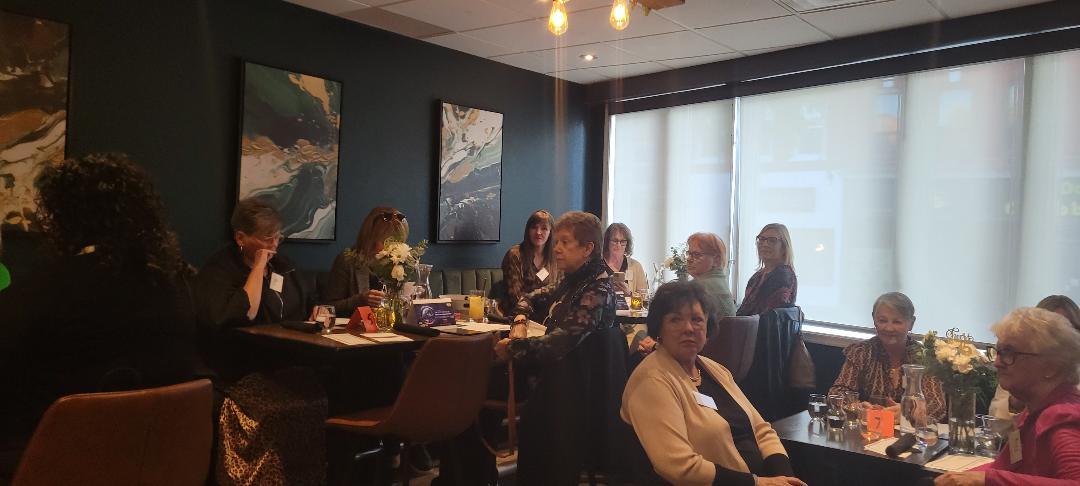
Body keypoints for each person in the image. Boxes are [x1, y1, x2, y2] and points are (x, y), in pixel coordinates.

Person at [0, 153, 202, 481]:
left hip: (54, 465)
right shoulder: (174, 287)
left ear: (62, 218)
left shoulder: (42, 293)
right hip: (159, 466)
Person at [621, 281, 806, 486]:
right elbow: (679, 467)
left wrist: (786, 478)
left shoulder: (714, 369)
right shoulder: (652, 381)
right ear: (659, 329)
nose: (688, 328)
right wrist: (758, 483)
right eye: (675, 320)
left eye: (697, 320)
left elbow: (761, 430)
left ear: (707, 328)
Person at [494, 211, 619, 485]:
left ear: (587, 248)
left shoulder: (598, 290)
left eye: (565, 242)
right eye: (557, 241)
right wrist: (520, 318)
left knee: (481, 384)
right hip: (556, 382)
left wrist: (514, 348)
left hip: (575, 397)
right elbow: (528, 297)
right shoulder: (571, 281)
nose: (556, 248)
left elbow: (559, 344)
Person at [935, 308, 1080, 486]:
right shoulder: (1034, 411)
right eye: (998, 351)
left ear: (1052, 367)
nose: (997, 363)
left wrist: (987, 480)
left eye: (1009, 353)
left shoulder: (1063, 420)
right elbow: (1007, 469)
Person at [198, 198, 315, 330]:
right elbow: (247, 313)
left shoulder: (283, 265)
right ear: (240, 238)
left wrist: (317, 309)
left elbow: (308, 302)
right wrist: (258, 267)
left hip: (291, 339)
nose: (274, 244)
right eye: (267, 238)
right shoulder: (219, 269)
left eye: (277, 237)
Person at [829, 292, 946, 422]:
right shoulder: (861, 352)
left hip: (910, 431)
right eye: (882, 321)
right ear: (874, 320)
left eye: (897, 322)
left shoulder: (925, 357)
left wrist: (908, 410)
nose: (889, 328)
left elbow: (937, 405)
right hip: (870, 428)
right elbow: (836, 393)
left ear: (911, 323)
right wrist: (857, 406)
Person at [989, 295, 1080, 419]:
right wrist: (1015, 403)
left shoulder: (1066, 417)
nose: (997, 363)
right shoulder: (1017, 368)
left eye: (1063, 328)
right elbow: (995, 422)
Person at [324, 206, 409, 314]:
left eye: (397, 241)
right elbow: (328, 307)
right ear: (370, 238)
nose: (393, 248)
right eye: (387, 241)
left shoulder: (401, 263)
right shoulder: (347, 261)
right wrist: (360, 300)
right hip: (354, 324)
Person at [499, 210, 558, 315]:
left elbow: (558, 289)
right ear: (528, 230)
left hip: (548, 315)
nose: (538, 232)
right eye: (534, 227)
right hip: (517, 314)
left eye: (544, 228)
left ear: (550, 232)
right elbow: (515, 296)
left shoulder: (556, 257)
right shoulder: (515, 254)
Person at [737, 223, 797, 316]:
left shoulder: (783, 275)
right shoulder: (757, 276)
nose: (764, 244)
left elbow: (767, 315)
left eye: (772, 240)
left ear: (784, 247)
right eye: (761, 239)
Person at [687, 232, 736, 319]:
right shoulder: (719, 281)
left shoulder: (699, 286)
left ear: (716, 260)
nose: (689, 259)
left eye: (697, 255)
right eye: (689, 254)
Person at [603, 222, 648, 295]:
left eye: (622, 241)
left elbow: (644, 297)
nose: (618, 245)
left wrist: (629, 293)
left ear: (627, 244)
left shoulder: (636, 266)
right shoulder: (598, 265)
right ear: (607, 242)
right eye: (615, 241)